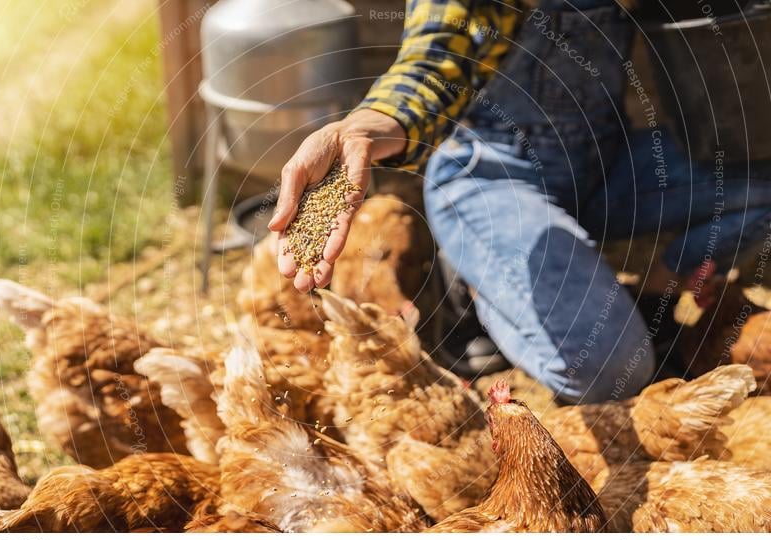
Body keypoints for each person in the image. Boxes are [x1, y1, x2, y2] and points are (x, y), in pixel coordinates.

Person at [268, 0, 771, 403]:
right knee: (611, 366)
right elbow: (428, 63)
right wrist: (362, 126)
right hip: (492, 172)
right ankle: (476, 283)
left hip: (604, 159)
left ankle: (655, 290)